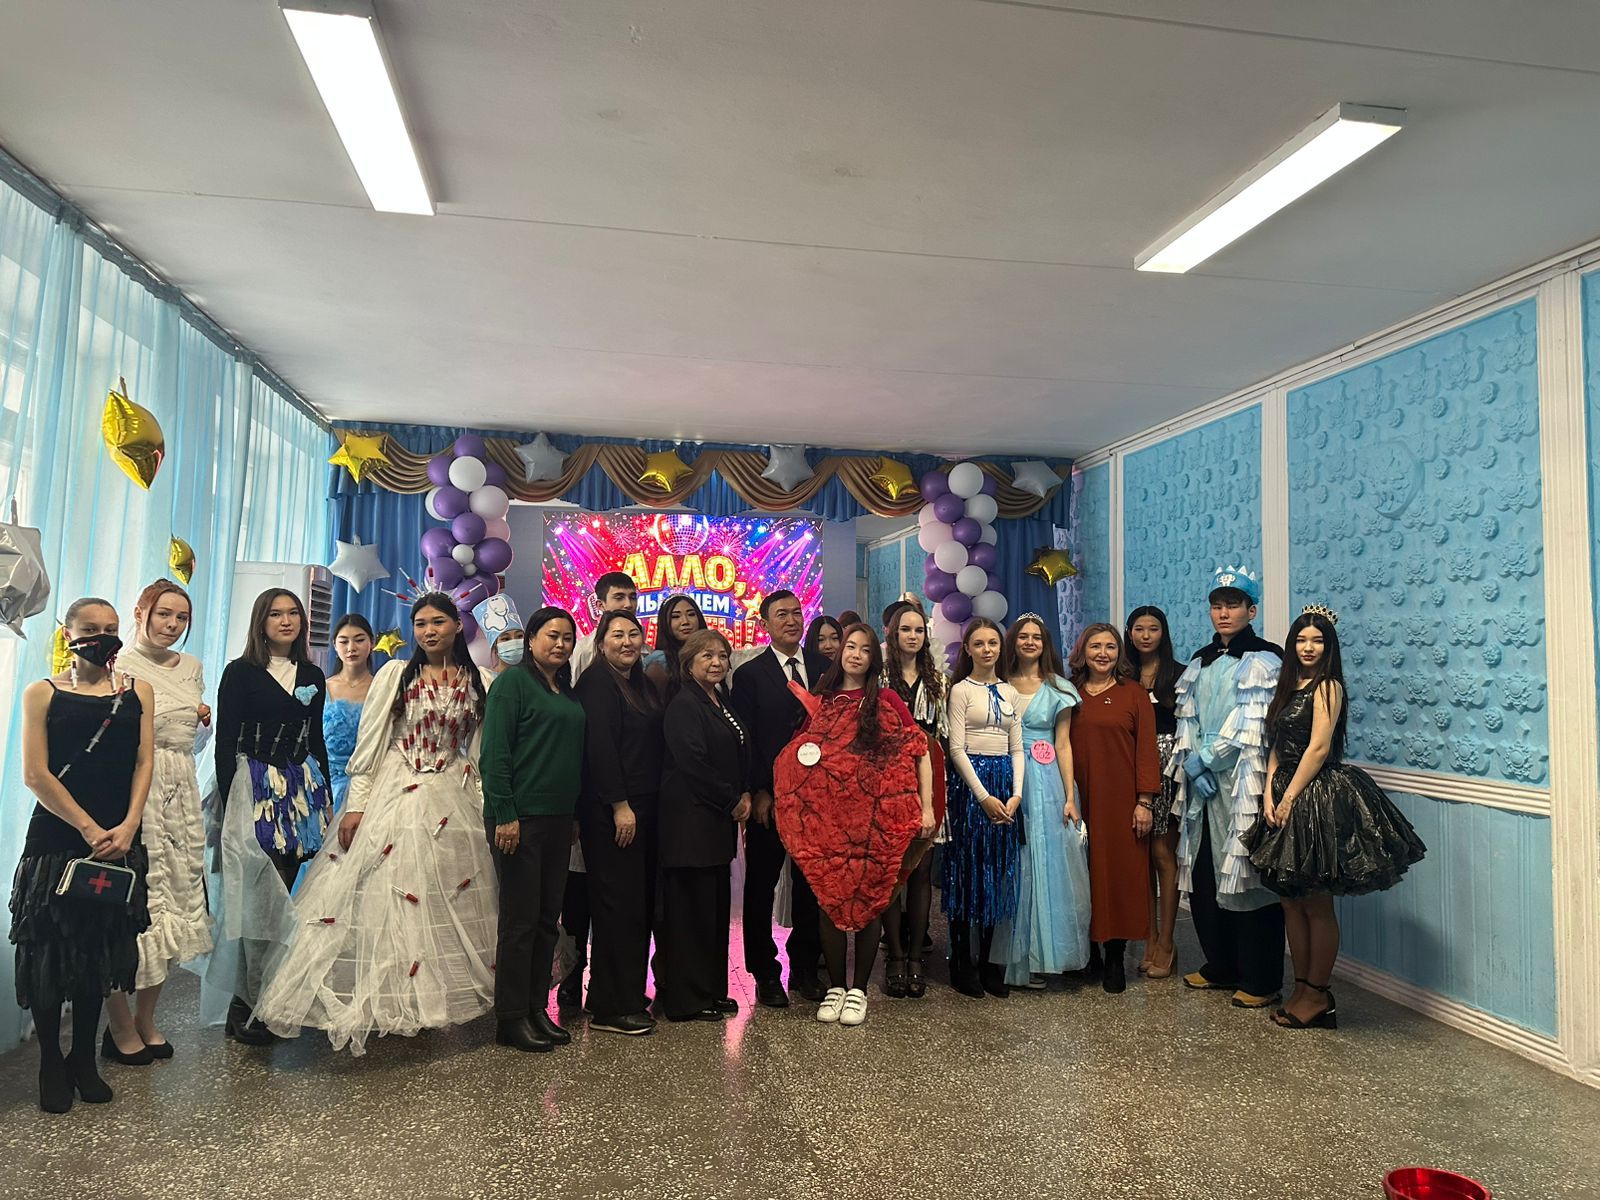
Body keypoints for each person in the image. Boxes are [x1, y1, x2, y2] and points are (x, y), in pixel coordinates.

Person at [252, 594, 498, 1053]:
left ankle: (430, 1003)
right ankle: (384, 1001)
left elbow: (481, 750)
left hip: (454, 791)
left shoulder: (480, 680)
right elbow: (371, 743)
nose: (428, 631)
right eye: (420, 623)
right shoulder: (395, 674)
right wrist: (357, 806)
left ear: (457, 625)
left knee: (445, 895)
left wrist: (484, 807)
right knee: (383, 894)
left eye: (437, 622)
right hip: (395, 788)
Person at [1243, 606, 1426, 1029]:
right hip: (1284, 791)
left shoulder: (1328, 686)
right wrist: (1269, 792)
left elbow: (1319, 748)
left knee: (1316, 902)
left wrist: (1289, 796)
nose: (1308, 647)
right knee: (1290, 901)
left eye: (1317, 640)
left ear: (1329, 646)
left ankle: (1318, 994)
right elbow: (1277, 745)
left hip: (1314, 794)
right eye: (1301, 640)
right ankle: (1301, 989)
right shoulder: (1288, 685)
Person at [10, 597, 154, 1112]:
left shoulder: (138, 691)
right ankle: (51, 1061)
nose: (102, 636)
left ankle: (84, 1058)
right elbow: (35, 774)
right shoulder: (42, 692)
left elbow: (143, 762)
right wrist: (90, 828)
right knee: (48, 950)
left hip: (119, 836)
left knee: (99, 949)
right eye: (91, 628)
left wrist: (129, 825)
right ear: (68, 633)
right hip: (57, 837)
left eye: (111, 628)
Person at [775, 625, 932, 1027]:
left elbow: (918, 750)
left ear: (873, 658)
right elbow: (798, 756)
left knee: (870, 900)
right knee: (830, 901)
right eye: (850, 646)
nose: (856, 654)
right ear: (840, 652)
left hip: (875, 823)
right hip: (830, 823)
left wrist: (927, 807)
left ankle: (858, 989)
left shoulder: (886, 700)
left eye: (865, 649)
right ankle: (836, 986)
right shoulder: (823, 700)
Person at [210, 588, 332, 1044]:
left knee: (283, 895)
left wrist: (324, 794)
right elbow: (225, 740)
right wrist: (230, 801)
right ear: (261, 621)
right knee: (256, 898)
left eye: (293, 613)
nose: (286, 621)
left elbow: (315, 738)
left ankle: (266, 999)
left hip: (297, 791)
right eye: (276, 614)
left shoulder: (313, 674)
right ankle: (243, 1004)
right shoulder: (240, 672)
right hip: (254, 787)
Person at [100, 579, 211, 1065]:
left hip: (180, 790)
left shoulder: (192, 667)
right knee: (132, 905)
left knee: (175, 902)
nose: (172, 624)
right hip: (133, 788)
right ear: (141, 612)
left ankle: (146, 1017)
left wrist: (202, 721)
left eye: (181, 617)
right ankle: (118, 1022)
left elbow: (191, 743)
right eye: (163, 614)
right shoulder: (118, 664)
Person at [1169, 565, 1286, 1009]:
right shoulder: (1199, 661)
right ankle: (1221, 964)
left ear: (1251, 610)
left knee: (1246, 875)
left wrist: (1207, 758)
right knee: (1203, 872)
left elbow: (1251, 724)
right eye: (1217, 605)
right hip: (1201, 786)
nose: (1223, 613)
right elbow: (1188, 717)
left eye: (1233, 605)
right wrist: (1192, 764)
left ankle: (1261, 978)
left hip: (1242, 780)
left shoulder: (1266, 659)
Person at [479, 606, 586, 1052]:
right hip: (518, 820)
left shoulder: (564, 689)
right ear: (531, 640)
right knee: (519, 921)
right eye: (551, 635)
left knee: (546, 920)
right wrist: (505, 813)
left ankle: (536, 1007)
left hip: (558, 820)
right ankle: (510, 1018)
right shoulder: (512, 684)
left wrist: (573, 815)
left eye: (567, 638)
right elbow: (494, 754)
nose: (559, 644)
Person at [729, 590, 828, 1005]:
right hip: (770, 799)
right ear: (765, 624)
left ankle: (804, 967)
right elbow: (746, 739)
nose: (791, 620)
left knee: (810, 885)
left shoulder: (825, 668)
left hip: (816, 800)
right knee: (762, 885)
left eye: (796, 613)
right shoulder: (750, 674)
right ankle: (765, 972)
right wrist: (759, 790)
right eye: (781, 615)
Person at [573, 611, 665, 1036]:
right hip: (613, 811)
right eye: (617, 635)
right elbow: (600, 749)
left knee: (635, 905)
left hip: (643, 806)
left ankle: (619, 991)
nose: (627, 642)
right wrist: (619, 805)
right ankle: (612, 1007)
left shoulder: (637, 681)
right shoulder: (596, 683)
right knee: (617, 905)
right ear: (601, 642)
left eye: (633, 634)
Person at [657, 629, 751, 1021]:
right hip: (689, 825)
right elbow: (693, 764)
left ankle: (711, 989)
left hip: (714, 825)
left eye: (722, 655)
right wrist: (732, 799)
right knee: (690, 915)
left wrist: (743, 792)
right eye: (707, 656)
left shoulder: (718, 698)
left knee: (712, 911)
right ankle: (686, 999)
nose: (716, 662)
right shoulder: (684, 704)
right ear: (688, 663)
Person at [994, 614, 1090, 988]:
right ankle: (1008, 958)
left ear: (1045, 643)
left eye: (1037, 636)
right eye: (1023, 636)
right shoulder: (999, 684)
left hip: (1047, 782)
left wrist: (1070, 796)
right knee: (1013, 861)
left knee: (1046, 863)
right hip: (1007, 776)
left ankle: (1041, 955)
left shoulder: (1059, 688)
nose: (1030, 642)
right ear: (1013, 642)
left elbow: (1063, 744)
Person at [1069, 623, 1161, 993]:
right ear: (1083, 652)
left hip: (1120, 801)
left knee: (1119, 876)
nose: (1103, 653)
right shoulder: (1068, 692)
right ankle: (1087, 953)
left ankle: (1115, 956)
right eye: (1095, 646)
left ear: (1119, 653)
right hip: (1075, 798)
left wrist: (1144, 802)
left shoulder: (1133, 694)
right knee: (1081, 873)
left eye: (1110, 646)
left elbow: (1147, 751)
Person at [560, 572, 636, 1009]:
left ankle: (608, 983)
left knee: (607, 891)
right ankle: (572, 976)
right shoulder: (581, 652)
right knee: (577, 893)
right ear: (600, 602)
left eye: (631, 597)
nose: (625, 603)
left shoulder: (634, 658)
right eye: (617, 597)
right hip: (585, 789)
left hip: (615, 794)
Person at [941, 617, 1024, 999]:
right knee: (967, 871)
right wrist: (982, 796)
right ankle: (961, 962)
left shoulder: (1010, 691)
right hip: (971, 787)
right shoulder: (960, 690)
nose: (987, 649)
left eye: (993, 642)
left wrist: (1015, 795)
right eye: (979, 643)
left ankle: (991, 962)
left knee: (997, 871)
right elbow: (956, 749)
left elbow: (1017, 747)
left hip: (1004, 783)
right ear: (968, 649)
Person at [878, 601, 947, 999]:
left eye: (919, 630)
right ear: (892, 633)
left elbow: (946, 735)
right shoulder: (879, 678)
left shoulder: (939, 681)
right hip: (889, 781)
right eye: (905, 629)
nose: (912, 636)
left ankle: (917, 956)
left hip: (929, 778)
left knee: (921, 872)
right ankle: (895, 954)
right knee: (892, 871)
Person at [1125, 605, 1184, 979]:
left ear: (1163, 633)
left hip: (1168, 769)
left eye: (1153, 629)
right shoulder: (1122, 674)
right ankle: (1147, 937)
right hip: (1129, 766)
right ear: (1129, 633)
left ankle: (1167, 941)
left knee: (1163, 853)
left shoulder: (1179, 674)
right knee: (1141, 857)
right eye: (1139, 629)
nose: (1146, 635)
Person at [323, 613, 375, 809]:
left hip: (367, 787)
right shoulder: (323, 687)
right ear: (334, 645)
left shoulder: (381, 689)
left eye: (359, 640)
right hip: (325, 785)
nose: (351, 648)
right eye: (344, 641)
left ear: (371, 642)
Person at [567, 571, 639, 683]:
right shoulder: (583, 650)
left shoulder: (644, 649)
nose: (628, 604)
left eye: (633, 597)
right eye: (619, 598)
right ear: (600, 605)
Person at [644, 593, 706, 697]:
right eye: (675, 616)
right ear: (665, 623)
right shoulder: (660, 661)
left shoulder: (713, 656)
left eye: (691, 614)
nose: (685, 622)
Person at [473, 593, 527, 675]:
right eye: (506, 639)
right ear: (495, 646)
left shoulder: (535, 676)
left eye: (519, 636)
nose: (514, 642)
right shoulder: (486, 679)